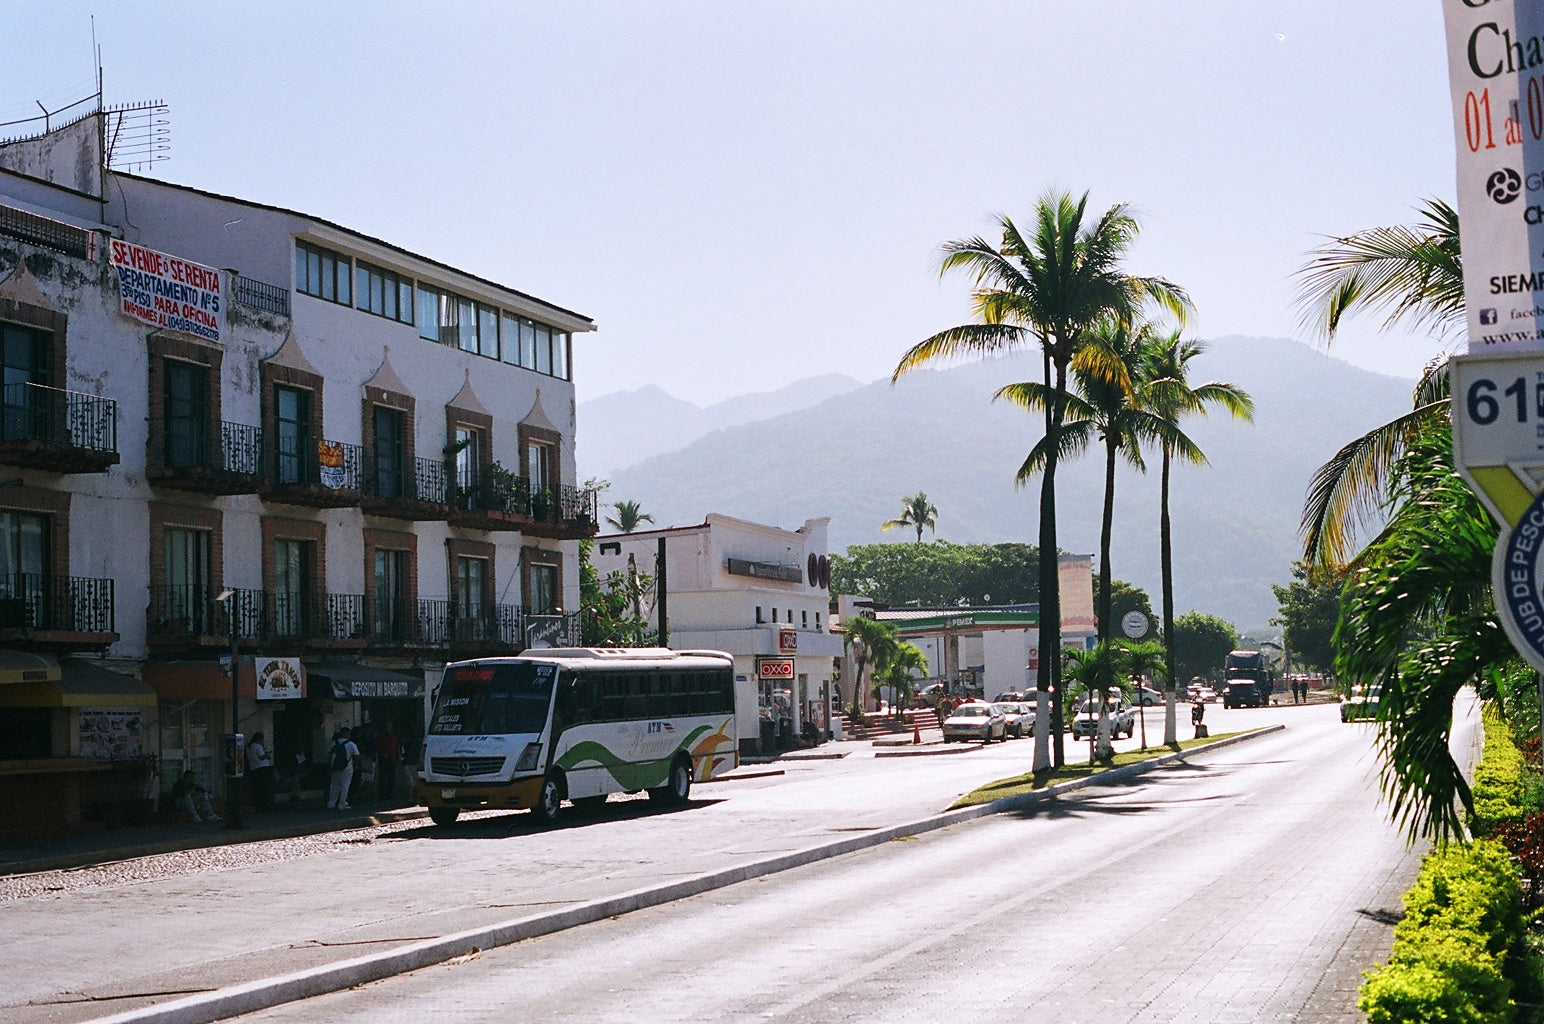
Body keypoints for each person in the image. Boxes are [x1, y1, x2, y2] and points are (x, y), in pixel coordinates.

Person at [326, 727, 359, 810]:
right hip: (347, 767)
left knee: (334, 785)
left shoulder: (334, 743)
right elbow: (357, 756)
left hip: (335, 766)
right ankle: (342, 803)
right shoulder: (351, 744)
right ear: (348, 734)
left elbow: (329, 754)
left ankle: (331, 803)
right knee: (345, 785)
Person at [247, 731, 276, 811]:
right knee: (266, 787)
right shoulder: (258, 746)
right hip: (263, 768)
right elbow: (262, 757)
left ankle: (258, 805)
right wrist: (267, 754)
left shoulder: (250, 747)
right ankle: (267, 805)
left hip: (254, 769)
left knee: (258, 787)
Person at [375, 721, 401, 803]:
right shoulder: (380, 737)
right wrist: (382, 753)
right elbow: (377, 747)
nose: (388, 728)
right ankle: (382, 794)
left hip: (392, 759)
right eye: (387, 727)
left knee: (391, 777)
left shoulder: (393, 736)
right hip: (383, 759)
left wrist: (398, 755)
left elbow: (396, 746)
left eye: (390, 727)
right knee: (382, 777)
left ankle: (390, 794)